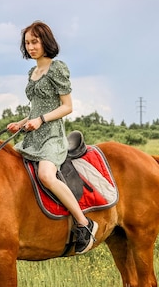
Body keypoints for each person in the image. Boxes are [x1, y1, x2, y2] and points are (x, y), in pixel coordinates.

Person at [7, 21, 98, 255]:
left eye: (34, 42)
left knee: (46, 175)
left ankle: (84, 224)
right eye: (27, 43)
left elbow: (67, 106)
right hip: (31, 136)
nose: (30, 47)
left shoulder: (57, 68)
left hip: (52, 137)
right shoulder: (33, 72)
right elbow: (36, 107)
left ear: (45, 41)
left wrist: (41, 120)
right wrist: (22, 122)